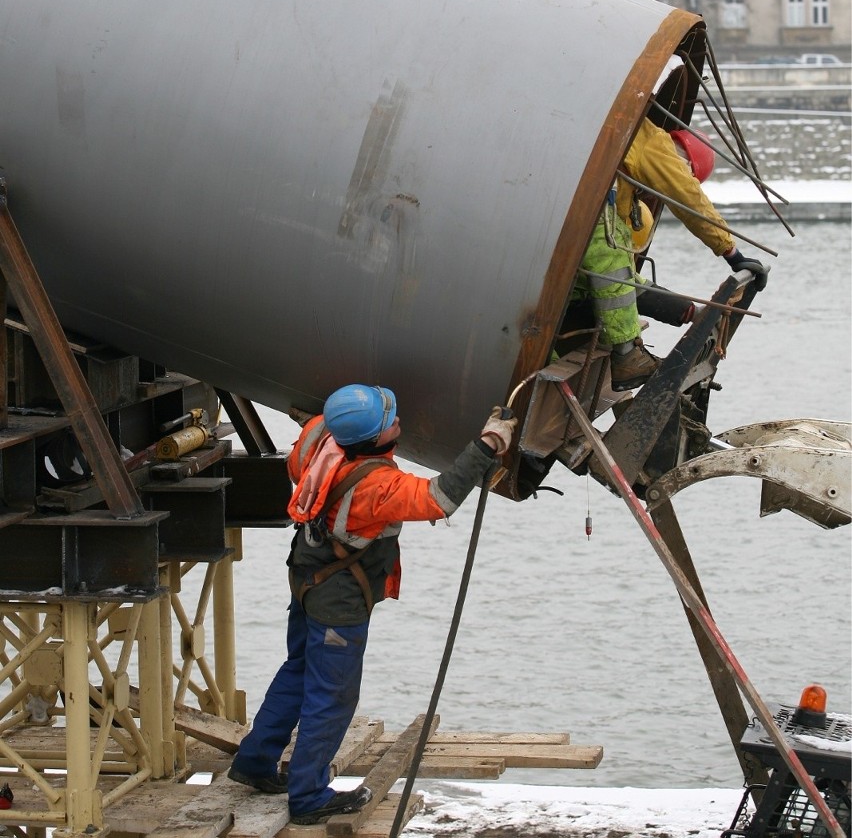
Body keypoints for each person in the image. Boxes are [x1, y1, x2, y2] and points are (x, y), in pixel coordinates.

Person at [228, 384, 516, 827]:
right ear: (375, 439)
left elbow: (304, 443)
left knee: (298, 669)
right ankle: (308, 796)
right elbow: (439, 498)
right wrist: (488, 445)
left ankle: (255, 762)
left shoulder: (319, 438)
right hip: (337, 602)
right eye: (393, 420)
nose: (401, 422)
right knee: (332, 696)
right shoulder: (376, 487)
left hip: (305, 577)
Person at [572, 118, 767, 392]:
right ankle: (627, 355)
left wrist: (690, 311)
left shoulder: (623, 165)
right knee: (610, 242)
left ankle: (626, 354)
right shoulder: (652, 142)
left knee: (610, 262)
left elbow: (622, 285)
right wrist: (732, 252)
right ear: (684, 164)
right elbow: (687, 197)